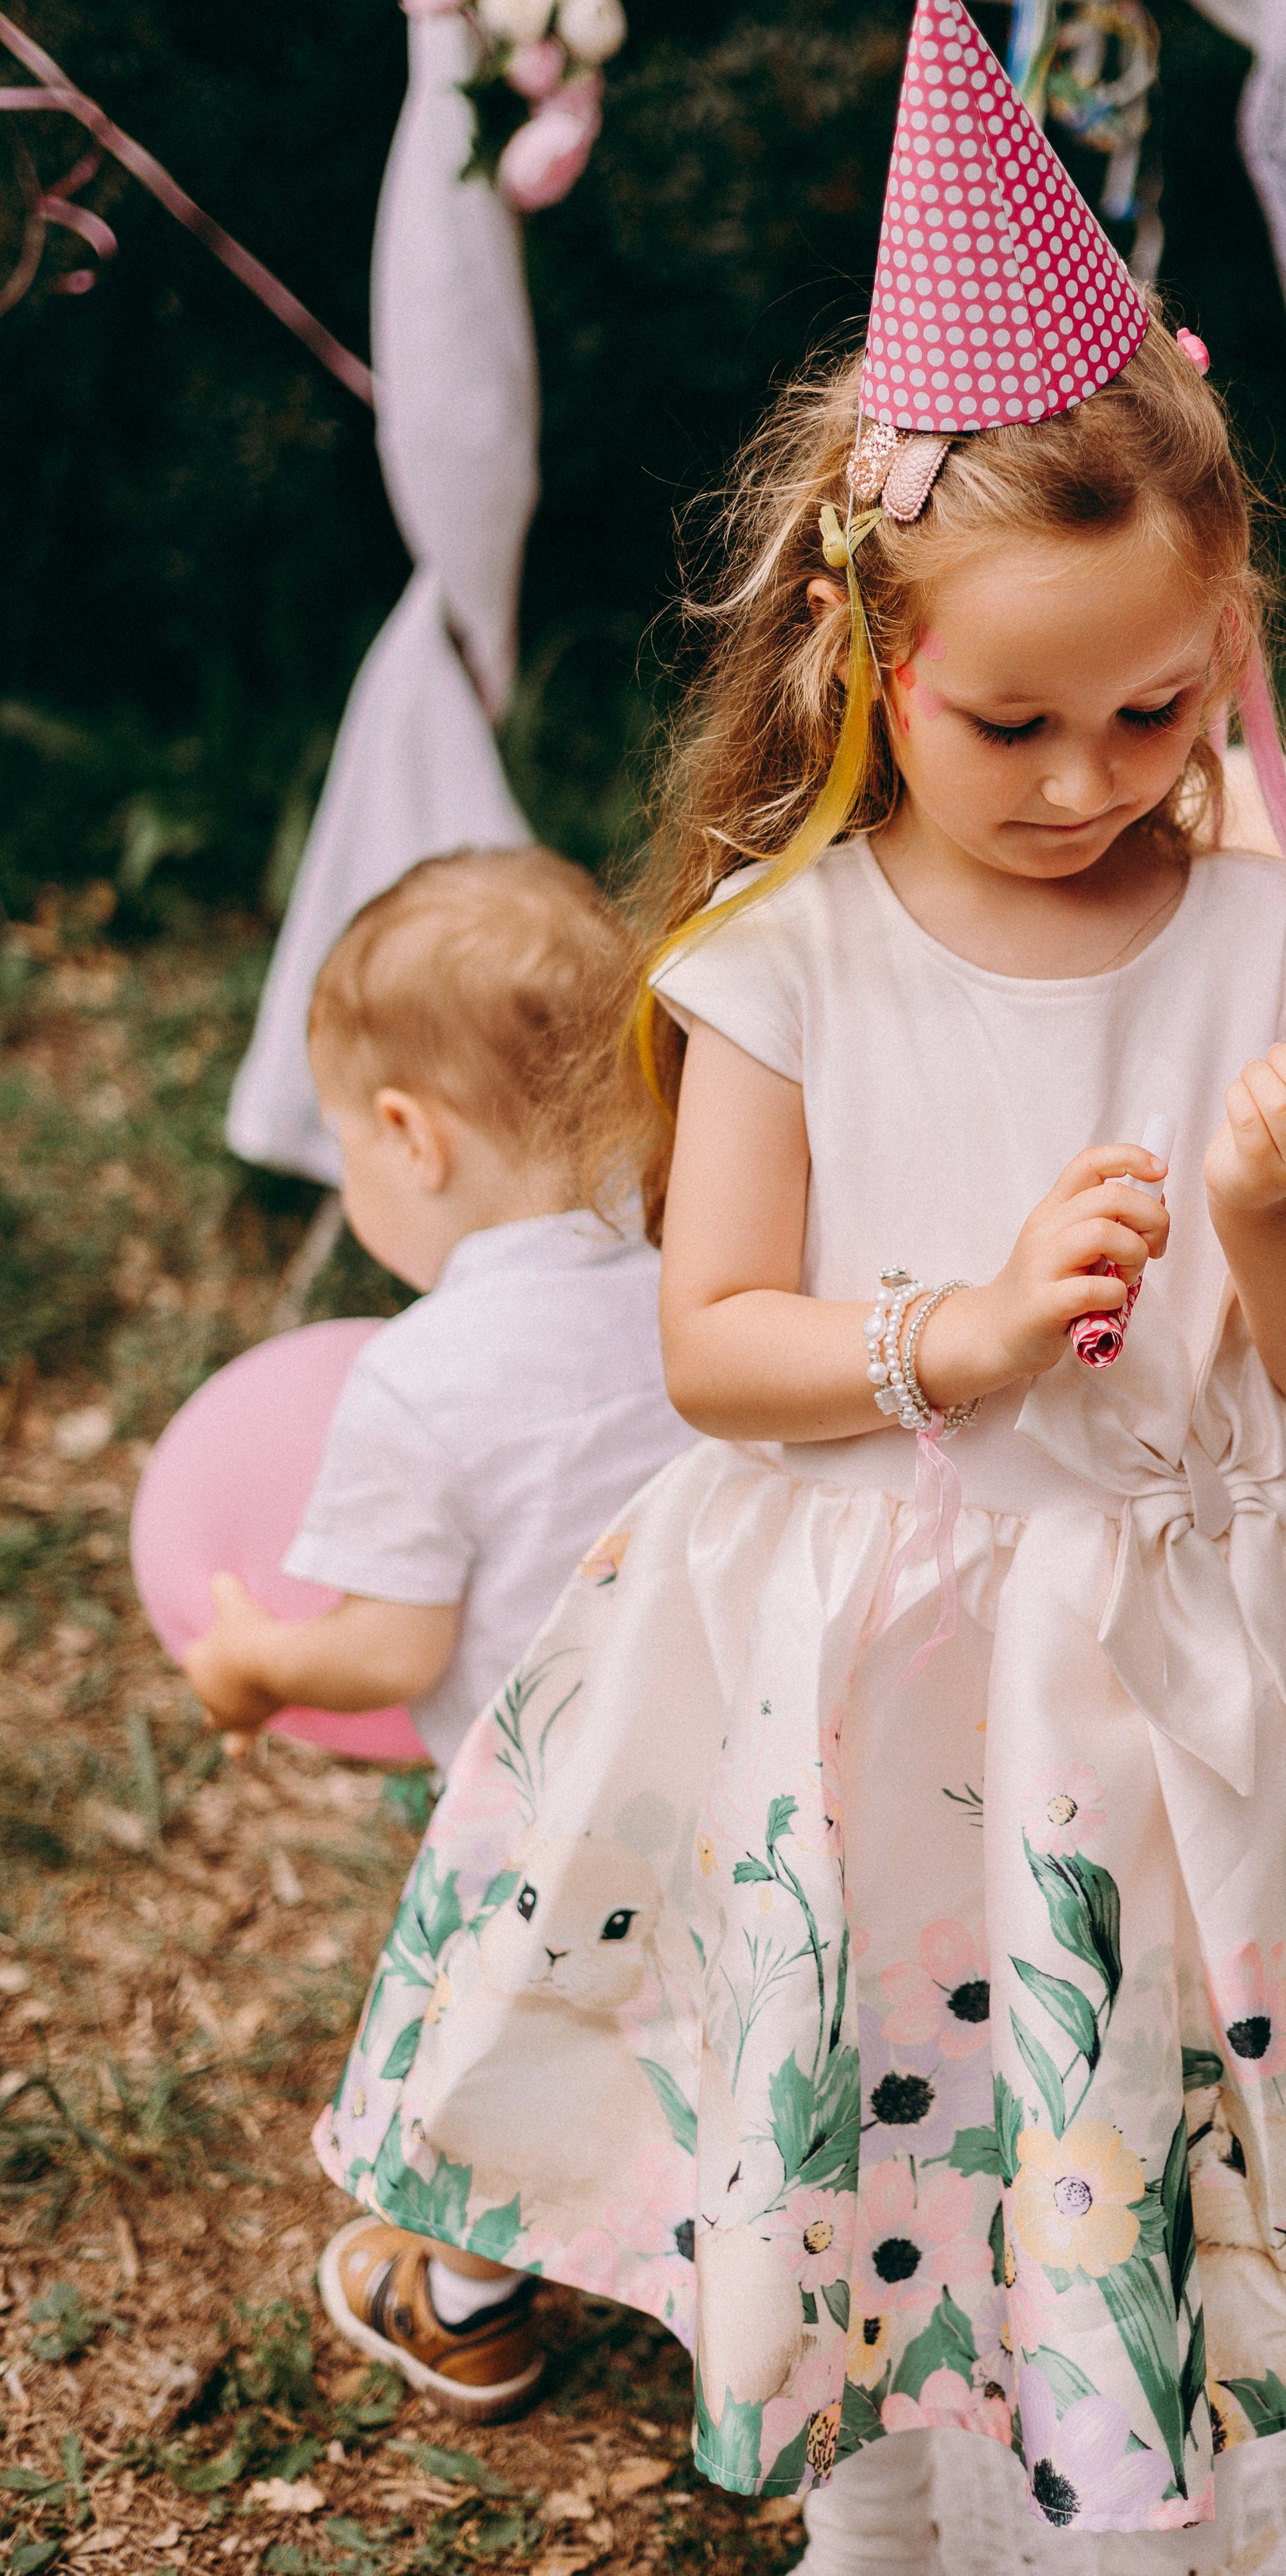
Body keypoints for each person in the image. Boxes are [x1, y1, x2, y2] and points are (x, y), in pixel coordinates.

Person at [318, 0, 1286, 2544]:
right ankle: (886, 2464)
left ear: (1230, 660)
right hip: (888, 1643)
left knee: (1142, 2080)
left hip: (1187, 1637)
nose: (1093, 786)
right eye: (1017, 729)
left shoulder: (1252, 938)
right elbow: (717, 1352)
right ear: (874, 660)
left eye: (1157, 720)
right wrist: (951, 1331)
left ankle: (1131, 2436)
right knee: (901, 2091)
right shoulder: (786, 957)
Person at [184, 845, 691, 2420]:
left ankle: (467, 2302)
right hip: (736, 1756)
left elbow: (390, 1657)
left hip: (553, 1816)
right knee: (703, 2034)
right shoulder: (694, 1288)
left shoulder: (420, 1375)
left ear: (407, 1135)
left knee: (515, 2048)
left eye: (345, 1155)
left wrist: (257, 1664)